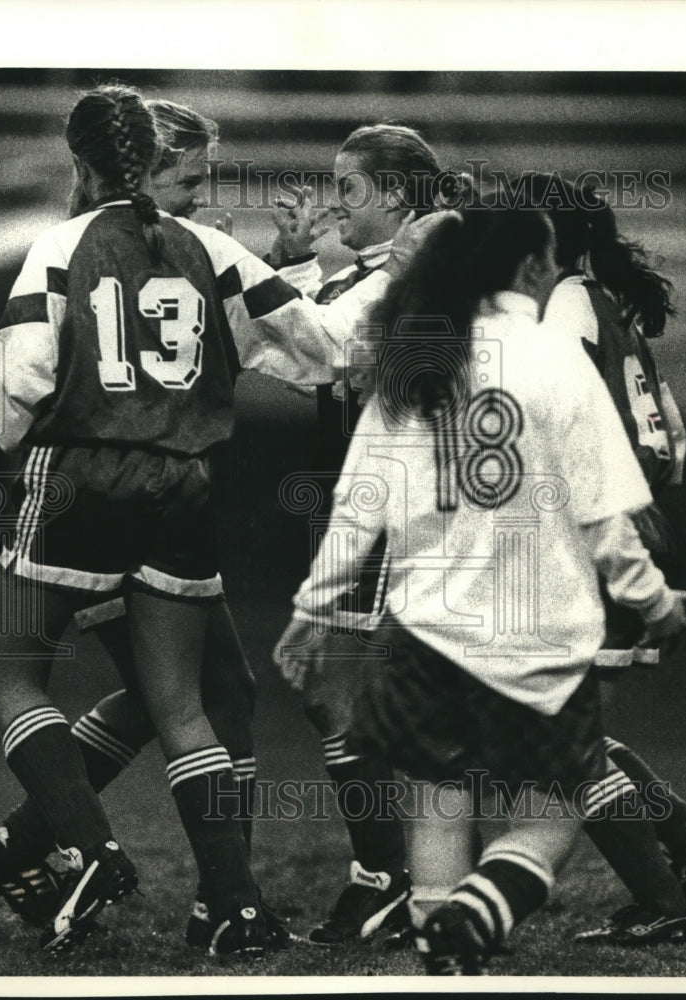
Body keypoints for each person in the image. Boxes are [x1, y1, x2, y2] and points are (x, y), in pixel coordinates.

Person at [0, 84, 409, 958]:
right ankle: (233, 905)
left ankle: (81, 843)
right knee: (189, 701)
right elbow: (320, 349)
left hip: (77, 478)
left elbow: (18, 380)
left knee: (15, 670)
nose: (203, 193)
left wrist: (13, 454)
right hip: (180, 485)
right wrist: (395, 269)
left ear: (89, 164)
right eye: (190, 178)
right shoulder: (212, 250)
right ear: (150, 168)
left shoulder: (57, 245)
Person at [274, 198, 686, 975]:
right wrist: (653, 602)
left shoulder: (416, 352)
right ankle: (482, 907)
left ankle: (445, 945)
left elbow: (358, 500)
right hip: (538, 629)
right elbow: (603, 515)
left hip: (423, 634)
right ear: (534, 268)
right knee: (554, 804)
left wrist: (311, 607)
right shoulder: (551, 356)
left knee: (435, 799)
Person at [537, 176, 686, 944]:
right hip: (622, 522)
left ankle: (664, 898)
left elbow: (556, 426)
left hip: (583, 535)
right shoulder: (604, 304)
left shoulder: (560, 307)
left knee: (552, 738)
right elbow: (674, 431)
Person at [268, 124, 445, 945]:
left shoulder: (424, 267)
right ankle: (678, 839)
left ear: (398, 195)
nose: (334, 201)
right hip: (376, 505)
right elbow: (292, 345)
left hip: (399, 508)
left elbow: (327, 345)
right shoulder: (380, 272)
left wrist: (250, 274)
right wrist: (286, 263)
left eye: (348, 187)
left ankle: (386, 880)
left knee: (334, 690)